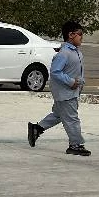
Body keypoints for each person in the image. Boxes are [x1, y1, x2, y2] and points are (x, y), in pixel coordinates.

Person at [28, 20, 88, 156]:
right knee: (72, 119)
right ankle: (76, 144)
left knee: (59, 115)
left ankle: (37, 128)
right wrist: (71, 82)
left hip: (72, 92)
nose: (82, 38)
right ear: (71, 35)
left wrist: (80, 82)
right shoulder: (64, 53)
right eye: (80, 35)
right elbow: (55, 72)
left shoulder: (76, 52)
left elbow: (77, 71)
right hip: (66, 93)